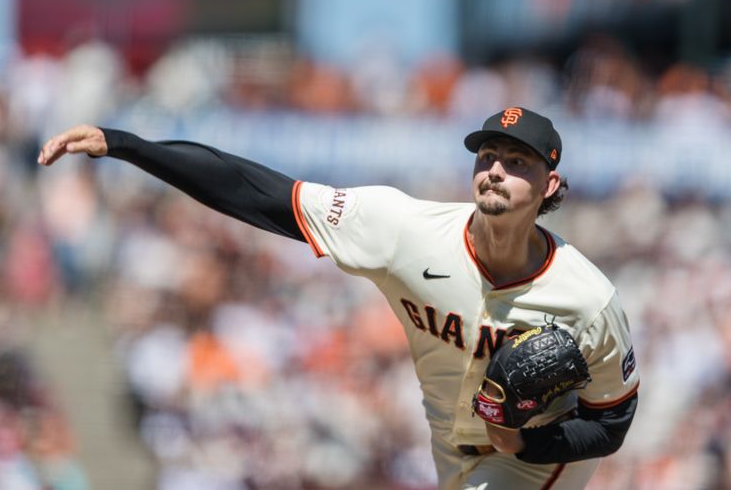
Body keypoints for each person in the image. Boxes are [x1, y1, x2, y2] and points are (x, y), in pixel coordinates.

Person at [38, 106, 639, 489]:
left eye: (517, 162)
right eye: (487, 157)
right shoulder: (404, 229)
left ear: (550, 185)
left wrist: (526, 439)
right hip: (450, 453)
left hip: (533, 464)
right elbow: (263, 195)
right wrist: (125, 145)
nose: (495, 171)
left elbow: (612, 419)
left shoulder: (586, 299)